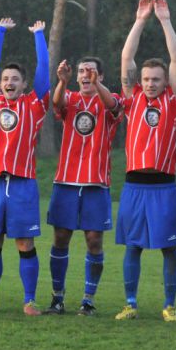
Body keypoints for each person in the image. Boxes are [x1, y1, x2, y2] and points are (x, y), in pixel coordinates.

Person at [0, 17, 50, 316]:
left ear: (24, 84)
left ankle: (29, 300)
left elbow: (44, 69)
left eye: (15, 79)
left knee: (24, 242)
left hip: (21, 182)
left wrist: (38, 35)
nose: (9, 83)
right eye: (5, 79)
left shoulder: (35, 104)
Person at [113, 0, 176, 322]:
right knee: (133, 246)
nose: (151, 83)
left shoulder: (174, 101)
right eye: (146, 79)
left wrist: (166, 21)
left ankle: (169, 305)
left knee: (170, 248)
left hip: (164, 186)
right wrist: (140, 20)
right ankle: (131, 303)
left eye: (156, 79)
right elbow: (126, 57)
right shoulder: (133, 99)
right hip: (134, 186)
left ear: (164, 81)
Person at [45, 56, 121, 316]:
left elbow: (113, 105)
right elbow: (57, 103)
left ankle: (88, 300)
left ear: (101, 76)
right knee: (60, 238)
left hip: (96, 184)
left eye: (91, 71)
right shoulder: (70, 97)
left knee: (94, 240)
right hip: (66, 181)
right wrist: (62, 81)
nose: (85, 75)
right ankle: (57, 298)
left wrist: (98, 84)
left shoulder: (108, 99)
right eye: (81, 71)